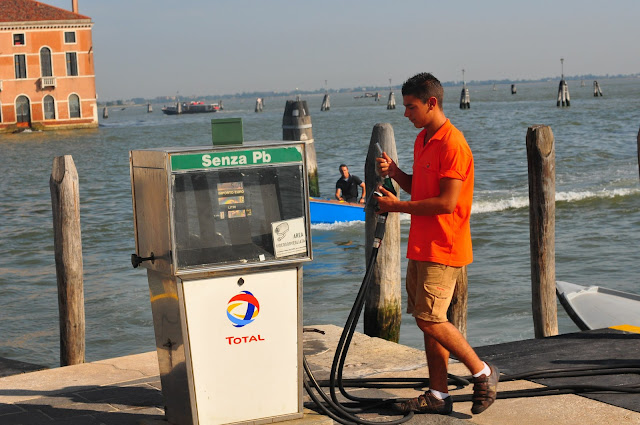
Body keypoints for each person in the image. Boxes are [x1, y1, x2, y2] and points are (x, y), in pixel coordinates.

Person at [375, 72, 498, 415]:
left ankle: (483, 372)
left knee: (431, 319)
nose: (406, 114)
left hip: (444, 246)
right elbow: (422, 189)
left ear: (432, 103)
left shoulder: (453, 144)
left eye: (411, 107)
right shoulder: (423, 139)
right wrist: (396, 173)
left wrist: (396, 207)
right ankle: (439, 394)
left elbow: (447, 203)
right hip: (422, 245)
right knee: (427, 320)